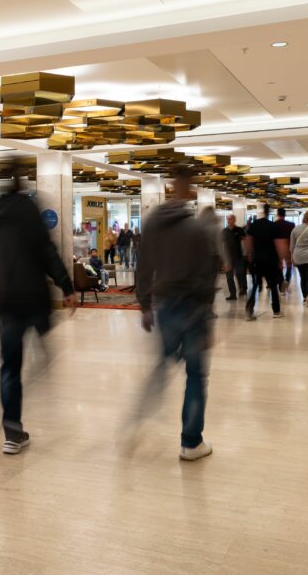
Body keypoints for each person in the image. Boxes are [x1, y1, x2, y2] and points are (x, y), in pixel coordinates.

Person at [0, 169, 75, 455]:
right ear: (21, 184)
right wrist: (66, 286)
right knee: (41, 351)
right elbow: (47, 251)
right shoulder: (28, 210)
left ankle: (12, 432)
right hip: (33, 298)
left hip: (8, 300)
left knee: (9, 368)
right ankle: (42, 363)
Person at [135, 167, 220, 460]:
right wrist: (208, 321)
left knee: (161, 367)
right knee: (195, 375)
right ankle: (191, 442)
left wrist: (145, 304)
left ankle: (138, 417)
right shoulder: (196, 229)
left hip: (165, 304)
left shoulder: (152, 224)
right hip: (193, 309)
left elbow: (143, 266)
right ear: (188, 188)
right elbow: (206, 276)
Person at [244, 203, 283, 320]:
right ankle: (276, 311)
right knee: (273, 286)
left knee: (255, 285)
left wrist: (250, 256)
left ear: (262, 211)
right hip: (271, 261)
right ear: (269, 212)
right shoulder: (273, 226)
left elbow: (248, 241)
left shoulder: (254, 225)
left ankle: (249, 312)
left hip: (257, 261)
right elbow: (278, 244)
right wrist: (281, 259)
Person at [221, 214, 247, 300]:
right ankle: (232, 294)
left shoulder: (239, 230)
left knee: (239, 274)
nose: (229, 221)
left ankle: (242, 289)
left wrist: (246, 254)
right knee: (229, 277)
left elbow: (244, 242)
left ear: (234, 220)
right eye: (228, 219)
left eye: (230, 219)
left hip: (238, 257)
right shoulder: (224, 231)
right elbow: (221, 244)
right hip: (228, 258)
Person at [273, 208, 295, 294]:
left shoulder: (274, 224)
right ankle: (287, 280)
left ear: (278, 214)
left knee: (279, 267)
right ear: (285, 215)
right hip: (288, 246)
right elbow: (293, 237)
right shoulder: (291, 225)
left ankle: (281, 283)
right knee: (289, 265)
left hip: (277, 247)